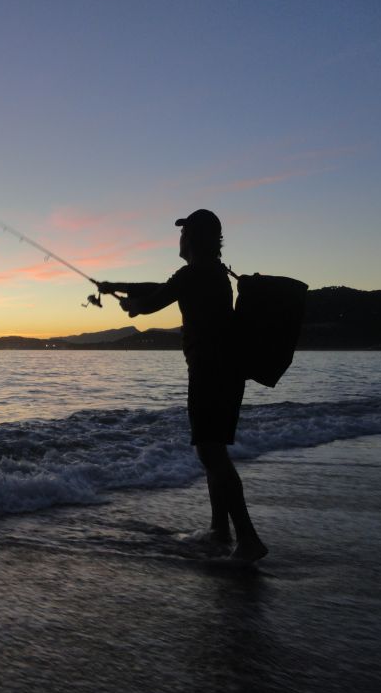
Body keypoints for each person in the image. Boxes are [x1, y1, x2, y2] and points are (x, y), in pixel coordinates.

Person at [98, 209, 268, 563]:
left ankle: (248, 539)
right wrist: (117, 287)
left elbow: (153, 301)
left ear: (191, 238)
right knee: (213, 451)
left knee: (211, 453)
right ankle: (220, 530)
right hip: (227, 372)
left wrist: (131, 304)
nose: (179, 238)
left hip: (210, 372)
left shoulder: (196, 273)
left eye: (183, 233)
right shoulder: (211, 273)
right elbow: (163, 289)